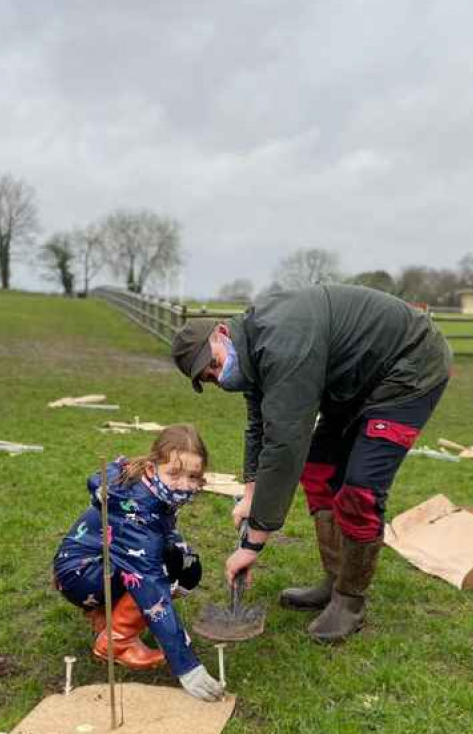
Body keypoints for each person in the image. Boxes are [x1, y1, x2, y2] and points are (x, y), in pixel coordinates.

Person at [172, 284, 451, 643]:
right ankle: (333, 580)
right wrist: (251, 491)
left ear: (222, 334)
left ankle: (349, 601)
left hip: (409, 368)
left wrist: (253, 542)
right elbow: (260, 424)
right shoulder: (254, 348)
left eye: (214, 363)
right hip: (354, 380)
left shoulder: (282, 343)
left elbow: (286, 443)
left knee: (361, 489)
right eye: (208, 377)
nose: (216, 375)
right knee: (319, 470)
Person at [52, 424, 224, 701]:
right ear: (151, 469)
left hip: (96, 564)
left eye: (193, 476)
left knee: (187, 564)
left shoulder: (147, 491)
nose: (184, 485)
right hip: (81, 574)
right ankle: (116, 643)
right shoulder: (138, 518)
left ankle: (109, 619)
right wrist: (186, 664)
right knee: (164, 571)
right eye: (174, 474)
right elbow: (151, 588)